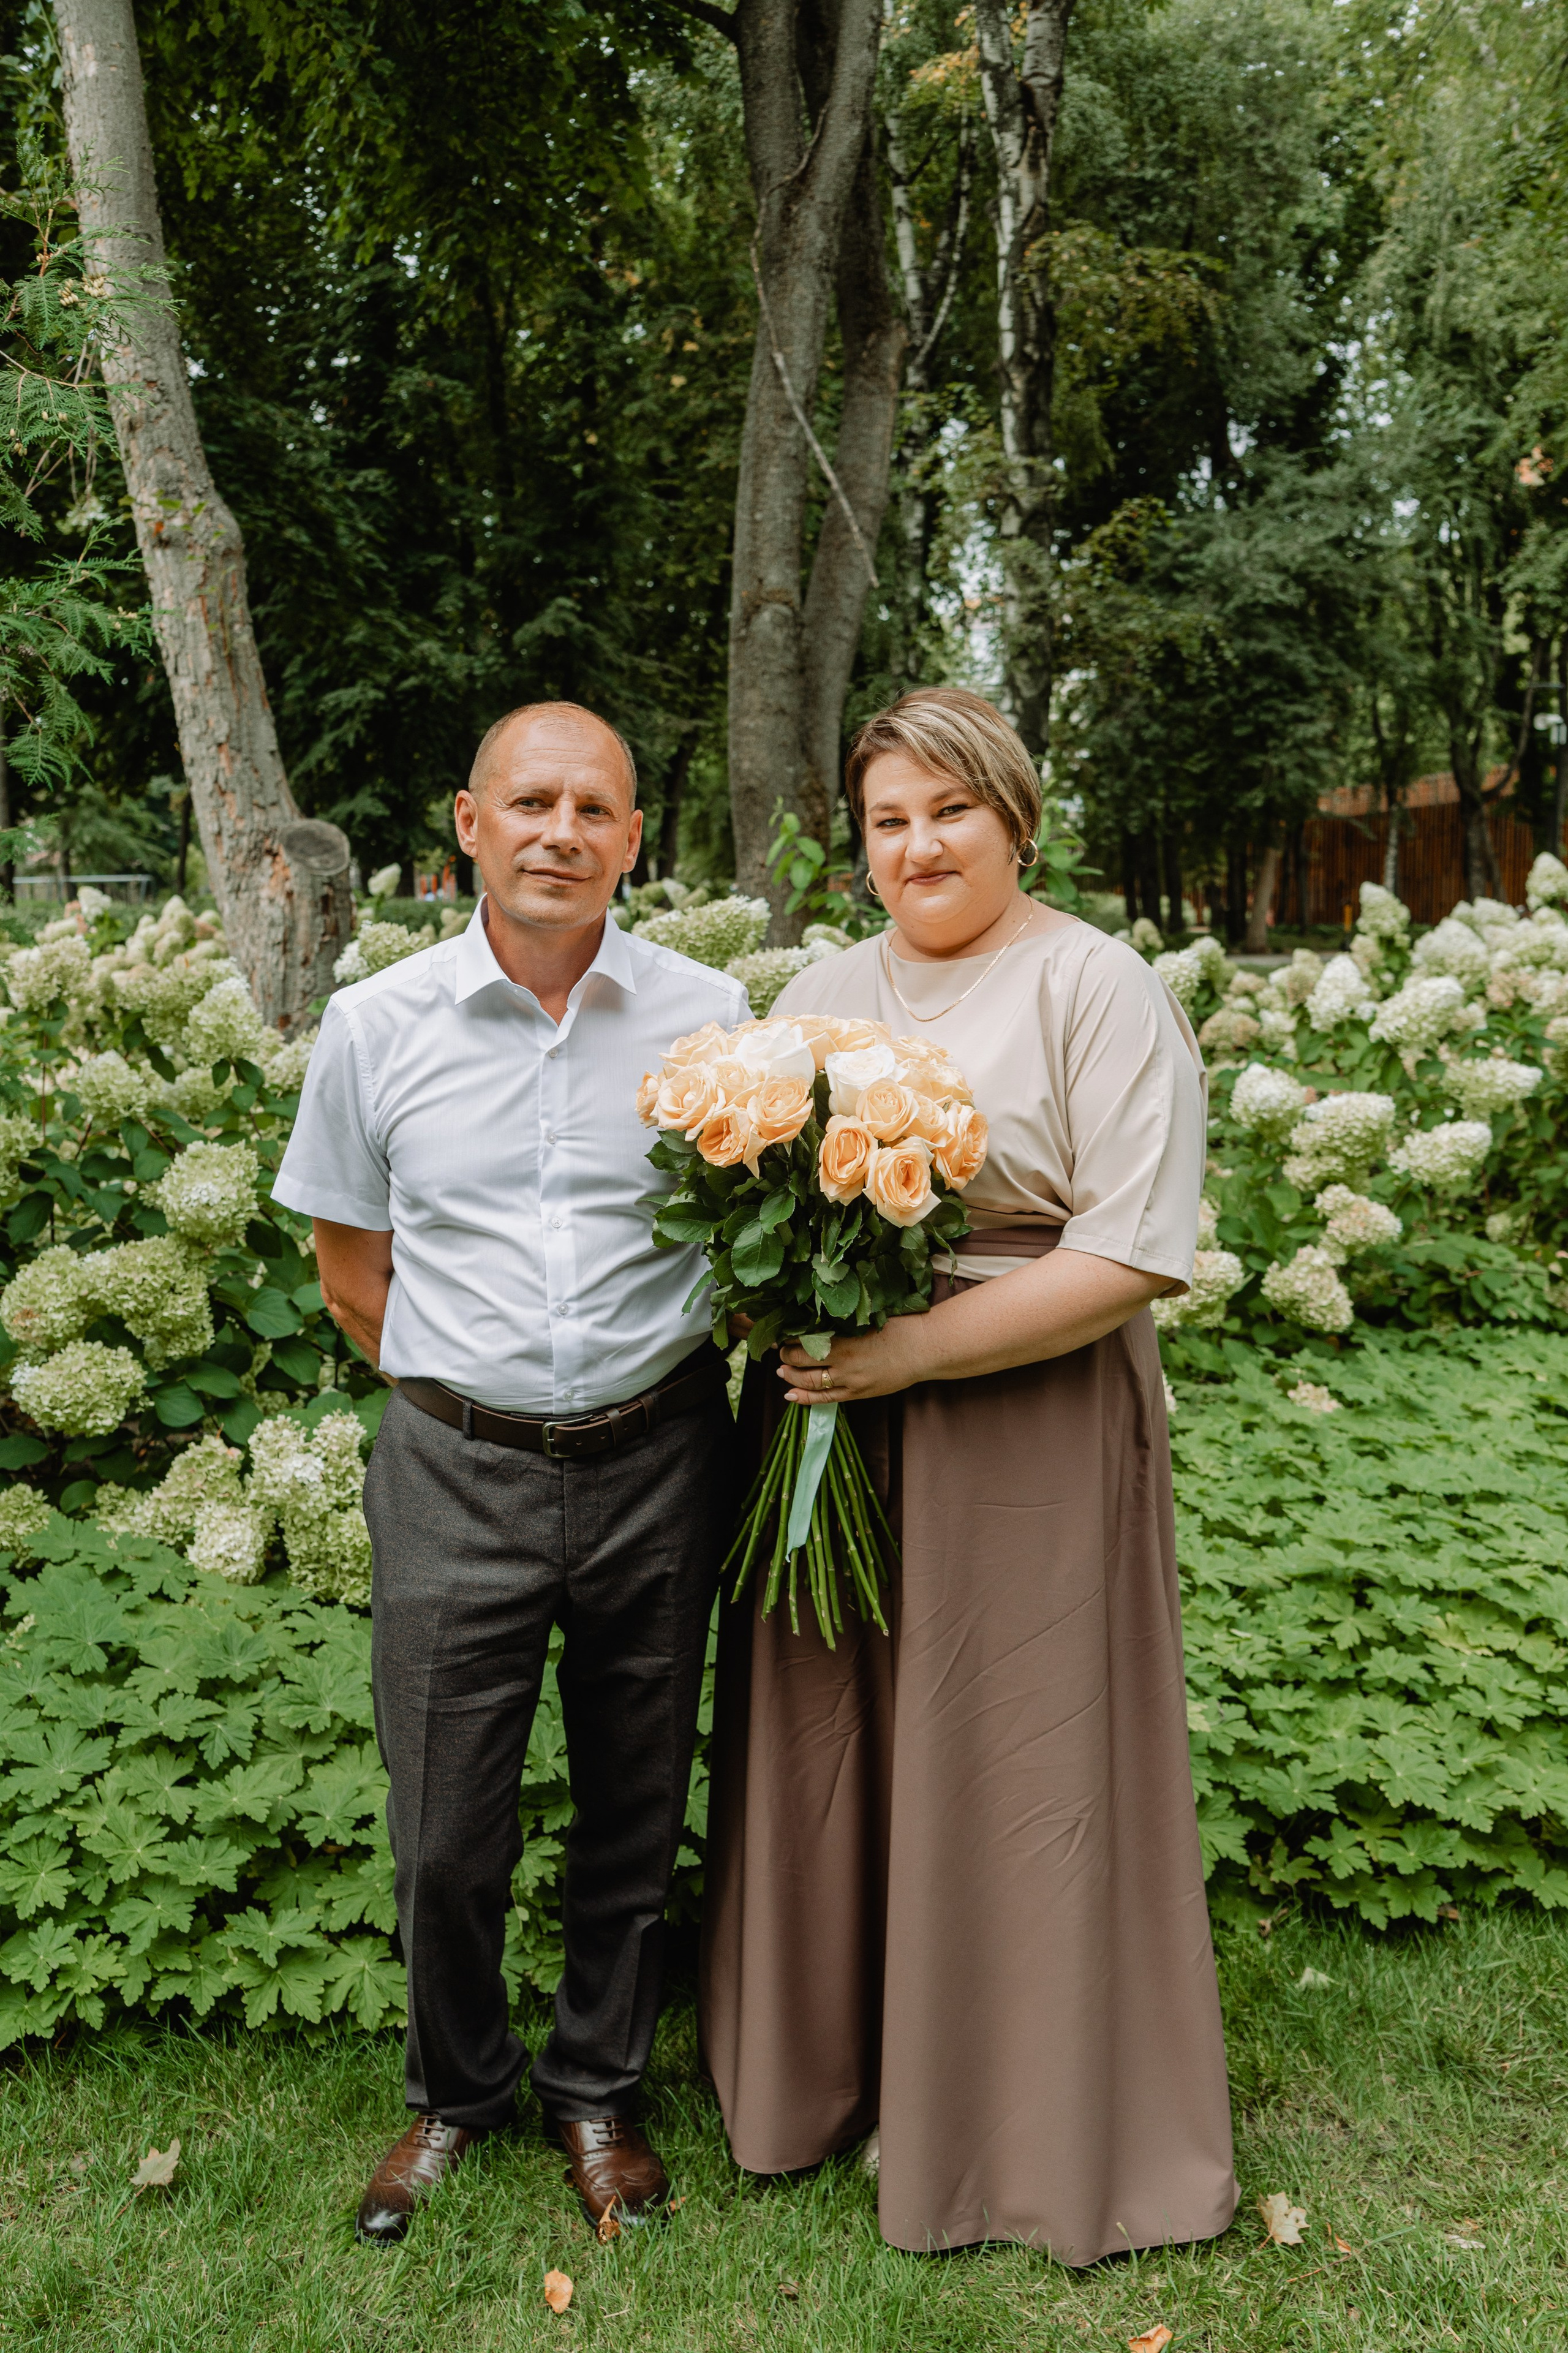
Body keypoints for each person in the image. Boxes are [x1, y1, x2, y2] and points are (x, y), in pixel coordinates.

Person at [699, 686, 1237, 2262]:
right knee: (836, 1738)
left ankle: (1017, 2117)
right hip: (831, 1419)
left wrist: (913, 1355)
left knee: (1014, 1756)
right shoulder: (821, 983)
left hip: (1025, 1424)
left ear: (1013, 817)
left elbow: (1133, 1251)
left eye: (949, 811)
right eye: (887, 820)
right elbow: (746, 1185)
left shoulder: (1096, 985)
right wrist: (778, 1301)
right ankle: (827, 2079)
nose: (917, 845)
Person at [274, 701, 747, 2245]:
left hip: (660, 1455)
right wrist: (474, 1407)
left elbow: (745, 1241)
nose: (562, 830)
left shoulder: (708, 1013)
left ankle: (594, 2087)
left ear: (630, 838)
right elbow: (354, 1275)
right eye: (529, 801)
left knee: (634, 1801)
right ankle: (456, 2090)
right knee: (443, 1827)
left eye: (594, 807)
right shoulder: (378, 1024)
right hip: (453, 1469)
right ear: (468, 825)